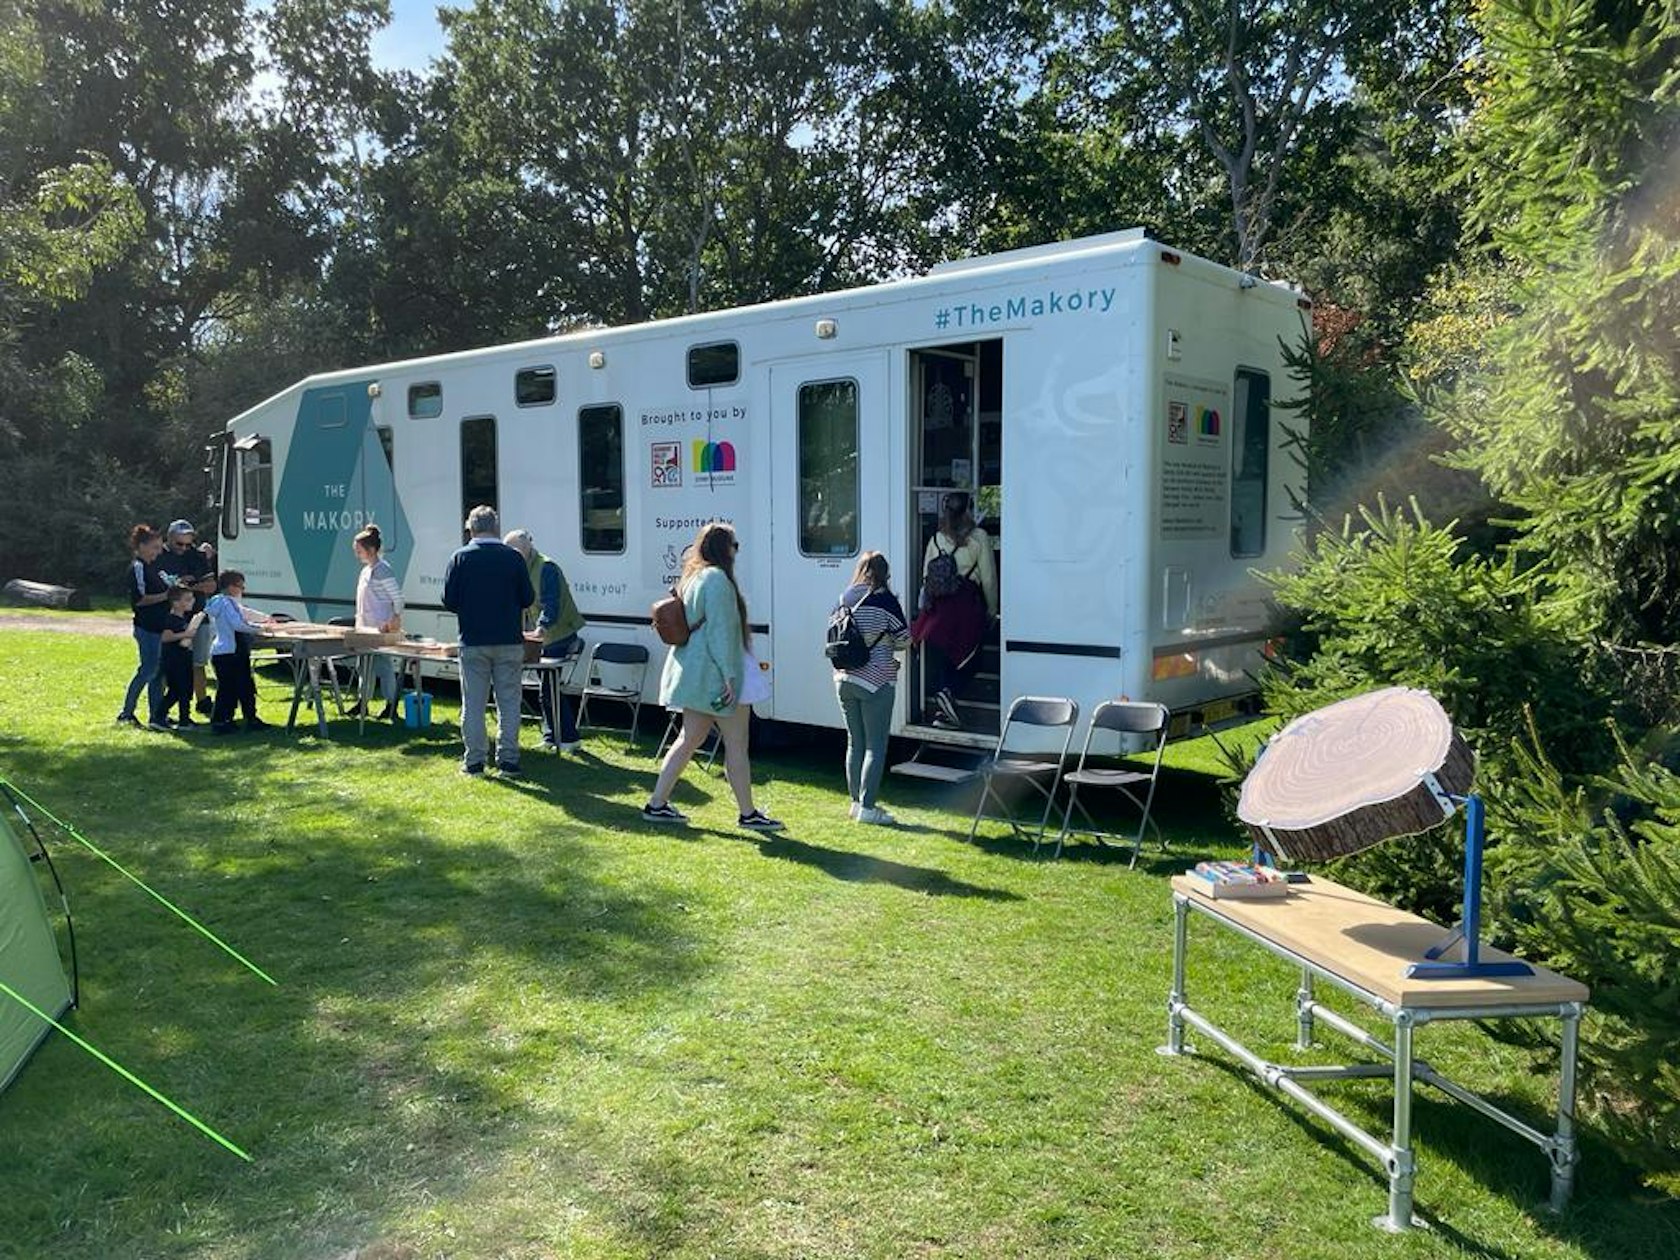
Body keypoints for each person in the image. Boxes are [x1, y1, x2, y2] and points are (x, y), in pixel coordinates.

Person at [641, 522, 782, 830]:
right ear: (724, 548)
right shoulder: (717, 580)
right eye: (735, 545)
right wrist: (731, 676)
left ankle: (657, 803)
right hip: (718, 675)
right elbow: (721, 633)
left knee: (687, 740)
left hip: (695, 673)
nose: (736, 551)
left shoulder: (693, 577)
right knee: (736, 745)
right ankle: (748, 813)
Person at [441, 505, 534, 778]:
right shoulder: (514, 558)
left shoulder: (459, 558)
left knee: (473, 704)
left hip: (473, 640)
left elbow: (449, 600)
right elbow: (527, 598)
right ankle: (508, 760)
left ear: (470, 528)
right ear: (496, 527)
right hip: (508, 640)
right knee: (508, 703)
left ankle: (475, 762)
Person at [832, 552, 912, 824]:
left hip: (844, 678)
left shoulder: (845, 597)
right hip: (876, 681)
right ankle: (868, 808)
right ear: (885, 574)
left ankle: (855, 803)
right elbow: (904, 640)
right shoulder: (886, 601)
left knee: (855, 742)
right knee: (875, 747)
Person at [911, 491, 997, 729]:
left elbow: (926, 576)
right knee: (973, 659)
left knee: (946, 657)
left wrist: (923, 608)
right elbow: (988, 578)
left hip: (937, 610)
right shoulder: (979, 537)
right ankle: (948, 693)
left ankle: (944, 711)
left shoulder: (937, 539)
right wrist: (992, 609)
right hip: (965, 606)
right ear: (968, 509)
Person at [504, 528, 585, 753]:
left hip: (560, 634)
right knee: (547, 689)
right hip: (544, 638)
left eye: (514, 553)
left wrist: (541, 627)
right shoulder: (522, 567)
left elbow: (552, 604)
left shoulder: (546, 567)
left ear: (525, 550)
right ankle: (551, 737)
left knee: (549, 689)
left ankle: (569, 738)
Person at [157, 520, 217, 716]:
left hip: (199, 617)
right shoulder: (160, 557)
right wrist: (185, 585)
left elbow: (211, 586)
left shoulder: (197, 556)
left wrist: (186, 587)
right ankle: (160, 706)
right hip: (172, 618)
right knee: (169, 665)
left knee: (198, 663)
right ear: (169, 539)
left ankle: (202, 702)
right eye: (179, 544)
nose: (184, 548)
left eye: (187, 544)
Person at [204, 570, 273, 734]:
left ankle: (237, 719)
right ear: (230, 587)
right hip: (230, 652)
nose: (242, 590)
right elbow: (238, 623)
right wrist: (261, 628)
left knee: (239, 687)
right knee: (230, 688)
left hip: (225, 651)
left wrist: (266, 618)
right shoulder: (226, 603)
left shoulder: (225, 602)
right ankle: (222, 721)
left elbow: (244, 612)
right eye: (240, 586)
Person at [118, 524, 172, 730]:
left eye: (159, 548)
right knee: (148, 670)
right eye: (155, 547)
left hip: (160, 627)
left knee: (158, 674)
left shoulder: (155, 568)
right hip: (147, 628)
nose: (158, 552)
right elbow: (139, 600)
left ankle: (156, 715)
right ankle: (127, 712)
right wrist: (165, 596)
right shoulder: (138, 567)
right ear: (141, 546)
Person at [350, 524, 404, 721]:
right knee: (363, 665)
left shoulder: (383, 570)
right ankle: (362, 701)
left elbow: (397, 598)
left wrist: (394, 618)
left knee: (383, 666)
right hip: (365, 626)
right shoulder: (366, 571)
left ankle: (391, 704)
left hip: (380, 627)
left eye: (359, 551)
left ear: (371, 550)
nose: (357, 554)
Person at [158, 587, 205, 728]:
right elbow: (165, 637)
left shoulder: (183, 618)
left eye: (192, 598)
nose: (192, 601)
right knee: (176, 691)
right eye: (188, 599)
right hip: (174, 660)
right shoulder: (171, 619)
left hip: (184, 657)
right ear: (176, 603)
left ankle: (185, 719)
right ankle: (158, 716)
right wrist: (185, 635)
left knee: (185, 690)